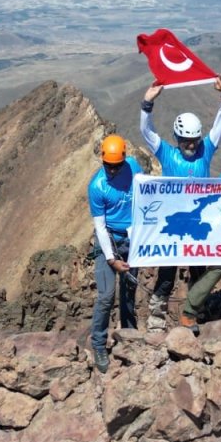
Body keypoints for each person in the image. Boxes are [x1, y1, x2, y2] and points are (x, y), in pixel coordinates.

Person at [139, 76, 221, 330]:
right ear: (177, 138)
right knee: (166, 276)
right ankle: (157, 318)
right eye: (185, 141)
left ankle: (197, 311)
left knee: (199, 272)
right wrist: (147, 104)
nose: (191, 146)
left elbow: (220, 125)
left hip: (198, 224)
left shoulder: (206, 150)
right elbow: (147, 132)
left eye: (194, 141)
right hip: (173, 225)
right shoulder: (166, 152)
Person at [86, 134, 143, 373]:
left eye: (116, 166)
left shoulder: (133, 169)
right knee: (106, 296)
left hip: (133, 239)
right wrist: (111, 259)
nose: (111, 171)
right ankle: (98, 343)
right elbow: (100, 226)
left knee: (129, 291)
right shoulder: (97, 186)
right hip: (108, 240)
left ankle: (129, 335)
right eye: (108, 166)